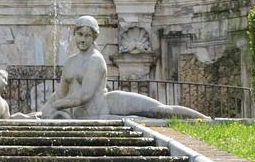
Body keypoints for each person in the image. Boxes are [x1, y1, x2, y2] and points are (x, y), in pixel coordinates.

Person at [40, 16, 208, 120]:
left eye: (87, 35)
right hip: (84, 116)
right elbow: (61, 93)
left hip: (108, 104)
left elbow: (84, 96)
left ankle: (204, 119)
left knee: (159, 110)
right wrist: (46, 108)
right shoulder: (70, 62)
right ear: (74, 34)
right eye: (79, 34)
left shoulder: (96, 60)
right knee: (149, 116)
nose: (82, 40)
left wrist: (56, 106)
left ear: (94, 37)